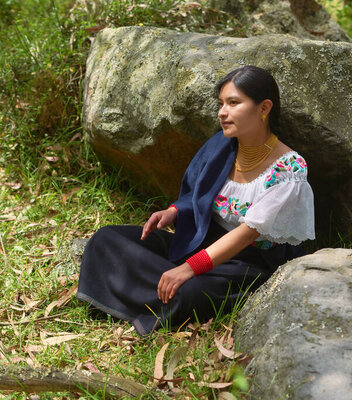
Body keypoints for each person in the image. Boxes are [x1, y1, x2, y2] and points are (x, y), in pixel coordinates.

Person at [77, 65, 315, 336]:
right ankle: (162, 287)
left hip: (244, 265)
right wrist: (175, 211)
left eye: (233, 103)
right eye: (221, 104)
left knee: (188, 291)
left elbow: (247, 235)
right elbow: (198, 193)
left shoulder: (289, 169)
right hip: (200, 242)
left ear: (264, 108)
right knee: (107, 239)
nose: (222, 112)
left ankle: (161, 289)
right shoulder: (222, 144)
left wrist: (188, 270)